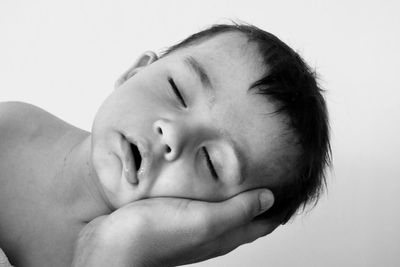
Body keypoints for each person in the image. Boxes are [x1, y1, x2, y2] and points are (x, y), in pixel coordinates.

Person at [0, 23, 330, 267]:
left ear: (227, 219)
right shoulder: (12, 131)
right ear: (135, 72)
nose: (173, 135)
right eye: (177, 90)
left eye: (212, 162)